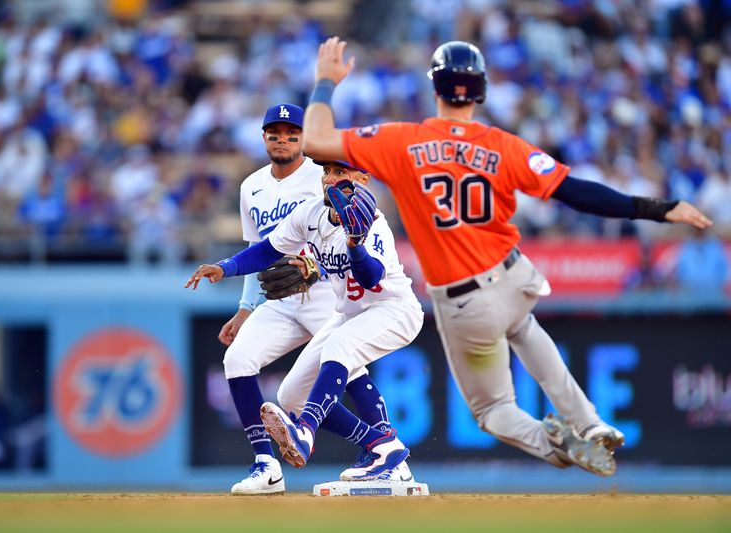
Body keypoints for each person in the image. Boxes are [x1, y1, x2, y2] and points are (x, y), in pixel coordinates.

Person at [301, 37, 714, 476]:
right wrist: (658, 208)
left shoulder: (401, 141)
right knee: (524, 326)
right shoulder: (503, 146)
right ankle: (589, 423)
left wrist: (326, 82)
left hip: (464, 300)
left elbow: (316, 140)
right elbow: (577, 193)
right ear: (480, 89)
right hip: (514, 276)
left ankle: (552, 441)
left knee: (493, 410)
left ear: (436, 87)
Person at [206, 104, 411, 494]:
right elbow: (265, 249)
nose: (331, 179)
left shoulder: (366, 214)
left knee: (342, 355)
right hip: (330, 307)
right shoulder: (302, 206)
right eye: (329, 172)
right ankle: (380, 448)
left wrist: (349, 249)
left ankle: (318, 435)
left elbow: (370, 277)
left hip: (375, 306)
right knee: (284, 391)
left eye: (340, 173)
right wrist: (228, 271)